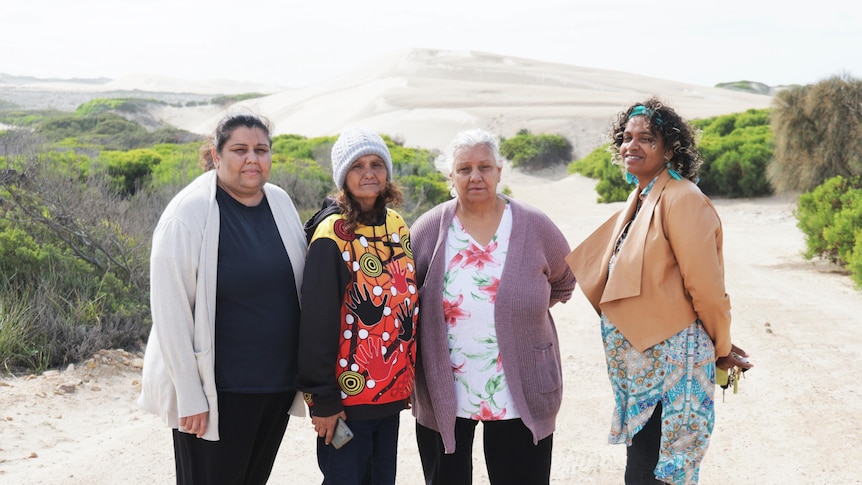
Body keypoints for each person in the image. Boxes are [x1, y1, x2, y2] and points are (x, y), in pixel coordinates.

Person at [565, 97, 754, 484]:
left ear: (670, 148)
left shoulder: (683, 199)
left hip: (674, 370)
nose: (631, 145)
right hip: (644, 371)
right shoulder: (643, 195)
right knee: (644, 463)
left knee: (661, 470)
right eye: (627, 137)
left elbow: (706, 289)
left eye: (646, 138)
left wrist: (721, 347)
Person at [138, 112, 308, 485]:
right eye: (240, 149)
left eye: (261, 150)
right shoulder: (188, 213)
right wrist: (189, 395)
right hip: (217, 394)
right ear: (216, 156)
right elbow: (170, 313)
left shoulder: (279, 202)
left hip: (274, 387)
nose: (253, 158)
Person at [410, 128, 577, 485]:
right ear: (450, 177)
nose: (475, 176)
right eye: (464, 168)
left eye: (484, 166)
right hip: (447, 385)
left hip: (520, 387)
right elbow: (408, 295)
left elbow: (564, 279)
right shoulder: (428, 229)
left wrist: (519, 312)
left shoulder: (534, 225)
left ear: (499, 171)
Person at [295, 127, 419, 485]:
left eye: (377, 164)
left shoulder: (397, 225)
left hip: (391, 393)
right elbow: (316, 325)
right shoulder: (331, 235)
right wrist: (323, 400)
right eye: (358, 166)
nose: (369, 173)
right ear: (343, 176)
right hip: (345, 401)